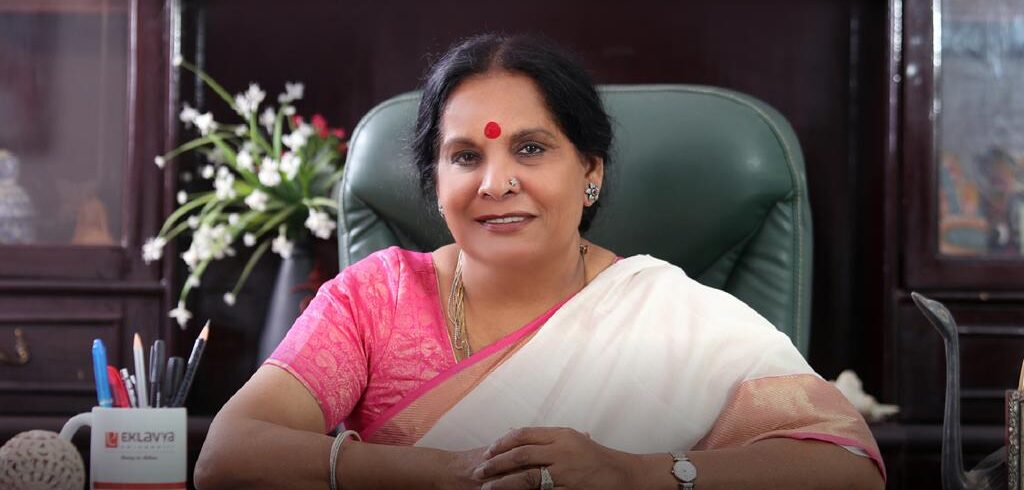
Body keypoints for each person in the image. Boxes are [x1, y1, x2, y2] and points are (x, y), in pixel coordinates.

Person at [195, 34, 885, 489]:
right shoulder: (374, 299)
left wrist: (635, 475)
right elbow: (227, 455)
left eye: (530, 149)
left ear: (591, 172)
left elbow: (847, 466)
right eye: (465, 156)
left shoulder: (674, 314)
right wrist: (445, 473)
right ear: (435, 183)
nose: (496, 183)